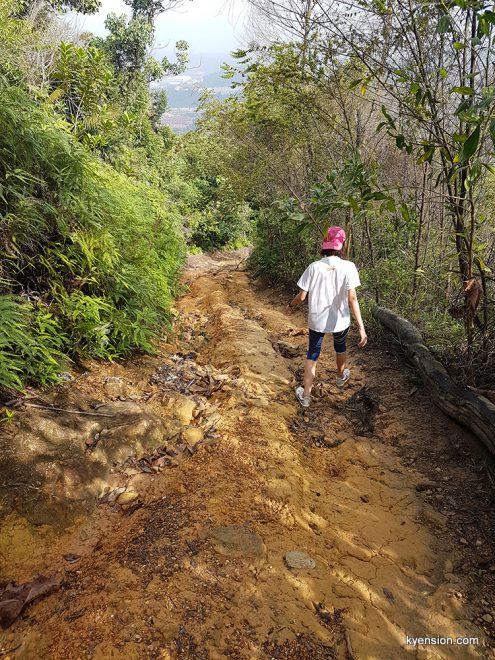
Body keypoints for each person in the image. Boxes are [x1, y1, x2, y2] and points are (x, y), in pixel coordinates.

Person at [287, 226, 367, 407]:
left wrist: (290, 305)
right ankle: (340, 377)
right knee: (340, 346)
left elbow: (301, 296)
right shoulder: (349, 267)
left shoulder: (314, 267)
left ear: (324, 244)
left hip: (317, 320)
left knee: (312, 354)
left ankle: (306, 396)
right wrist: (361, 328)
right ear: (342, 244)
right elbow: (352, 298)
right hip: (340, 321)